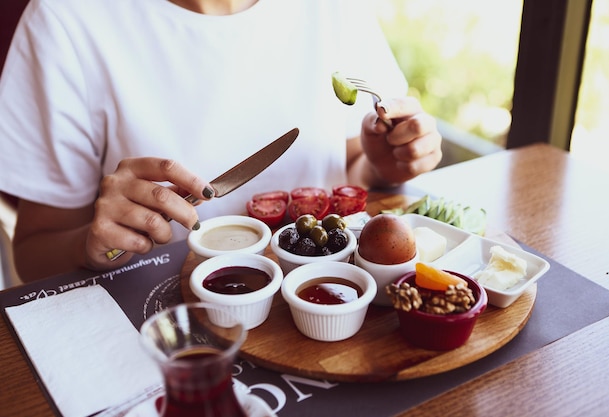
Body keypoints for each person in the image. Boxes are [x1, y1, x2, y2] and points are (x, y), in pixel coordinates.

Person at [0, 0, 442, 282]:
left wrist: (383, 164)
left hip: (325, 286)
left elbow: (344, 164)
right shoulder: (66, 21)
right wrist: (90, 246)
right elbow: (35, 253)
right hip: (169, 323)